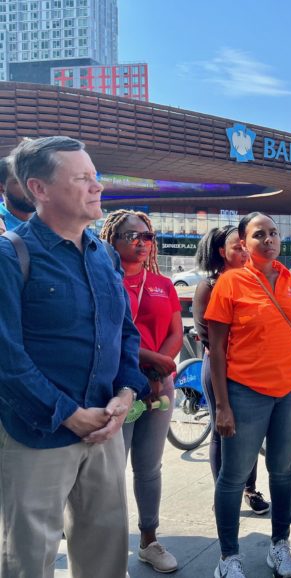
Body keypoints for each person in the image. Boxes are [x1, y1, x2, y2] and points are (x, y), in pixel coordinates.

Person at [0, 136, 147, 577]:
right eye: (82, 178)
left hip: (105, 427)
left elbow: (124, 332)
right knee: (27, 561)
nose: (96, 186)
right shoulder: (12, 254)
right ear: (39, 189)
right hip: (36, 434)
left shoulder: (103, 255)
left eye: (95, 176)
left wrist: (125, 392)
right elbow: (7, 359)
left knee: (105, 556)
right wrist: (67, 413)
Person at [205, 212, 291, 578]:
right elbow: (217, 347)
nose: (269, 239)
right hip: (245, 392)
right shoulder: (230, 283)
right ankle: (228, 557)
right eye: (260, 234)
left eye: (273, 233)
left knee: (282, 472)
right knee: (234, 476)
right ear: (244, 242)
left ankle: (280, 544)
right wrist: (222, 406)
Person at [100, 209, 183, 573]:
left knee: (148, 468)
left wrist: (160, 366)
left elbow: (176, 331)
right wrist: (146, 362)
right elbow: (107, 335)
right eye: (132, 235)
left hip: (158, 388)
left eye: (147, 237)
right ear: (111, 240)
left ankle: (149, 541)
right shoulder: (103, 280)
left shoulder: (162, 283)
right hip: (117, 388)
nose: (142, 242)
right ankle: (105, 545)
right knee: (110, 471)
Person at [192, 226, 270, 516]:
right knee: (221, 431)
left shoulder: (256, 281)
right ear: (221, 252)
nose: (244, 252)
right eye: (237, 247)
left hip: (252, 371)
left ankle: (249, 489)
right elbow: (210, 340)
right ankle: (224, 495)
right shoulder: (209, 286)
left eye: (244, 246)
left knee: (249, 433)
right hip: (219, 371)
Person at [0, 155, 36, 232]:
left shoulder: (55, 217)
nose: (32, 187)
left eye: (35, 180)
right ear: (1, 188)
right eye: (21, 181)